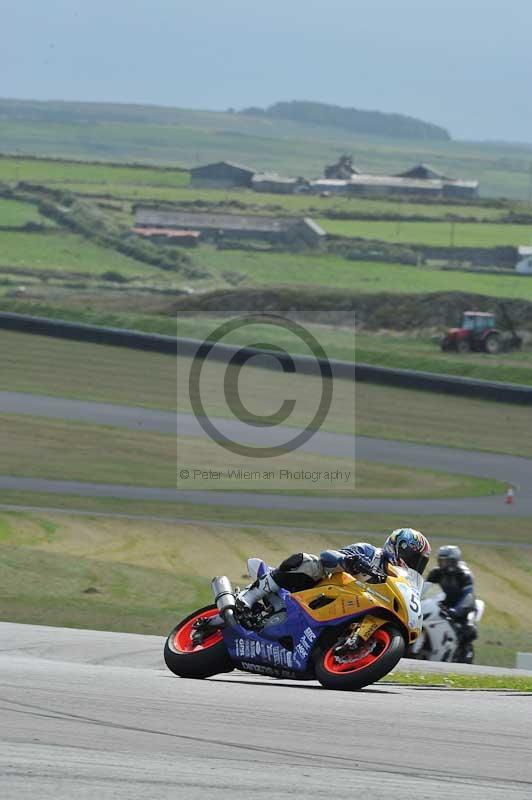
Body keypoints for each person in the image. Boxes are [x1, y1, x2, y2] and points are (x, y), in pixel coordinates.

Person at [237, 528, 431, 614]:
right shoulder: (369, 552)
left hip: (351, 609)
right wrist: (350, 561)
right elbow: (328, 557)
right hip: (323, 594)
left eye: (419, 563)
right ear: (399, 547)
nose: (414, 565)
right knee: (309, 563)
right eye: (414, 558)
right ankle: (249, 596)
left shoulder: (398, 582)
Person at [425, 545, 477, 654]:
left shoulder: (464, 574)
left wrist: (457, 610)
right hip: (442, 605)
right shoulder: (436, 573)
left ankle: (463, 652)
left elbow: (468, 595)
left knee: (467, 629)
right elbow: (425, 588)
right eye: (441, 561)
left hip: (462, 607)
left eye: (446, 561)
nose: (443, 564)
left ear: (454, 561)